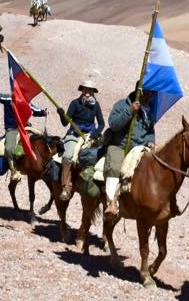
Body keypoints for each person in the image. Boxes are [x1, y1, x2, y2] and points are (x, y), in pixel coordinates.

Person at [102, 86, 157, 217]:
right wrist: (129, 111)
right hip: (120, 146)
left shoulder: (148, 112)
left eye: (152, 94)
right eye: (148, 93)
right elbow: (113, 124)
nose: (150, 97)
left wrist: (151, 141)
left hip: (139, 149)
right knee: (114, 167)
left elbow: (150, 132)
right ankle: (111, 203)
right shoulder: (122, 105)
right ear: (140, 92)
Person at [57, 80, 105, 200]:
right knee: (67, 156)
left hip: (90, 136)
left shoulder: (96, 105)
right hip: (75, 134)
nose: (87, 93)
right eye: (85, 90)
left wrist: (94, 134)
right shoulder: (75, 103)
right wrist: (61, 115)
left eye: (90, 90)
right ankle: (66, 187)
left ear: (93, 92)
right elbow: (65, 123)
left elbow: (101, 124)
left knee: (103, 155)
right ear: (82, 90)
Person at [0, 91, 47, 167]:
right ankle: (14, 171)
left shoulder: (25, 101)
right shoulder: (8, 99)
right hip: (12, 129)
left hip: (25, 128)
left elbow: (34, 110)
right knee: (9, 149)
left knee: (42, 138)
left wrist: (43, 112)